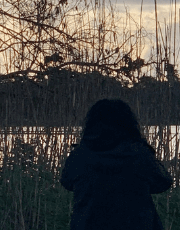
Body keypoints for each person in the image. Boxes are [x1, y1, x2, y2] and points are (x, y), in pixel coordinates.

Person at [60, 99, 172, 230]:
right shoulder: (139, 155)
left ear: (91, 124)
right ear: (129, 124)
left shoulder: (80, 156)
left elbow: (66, 182)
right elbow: (164, 182)